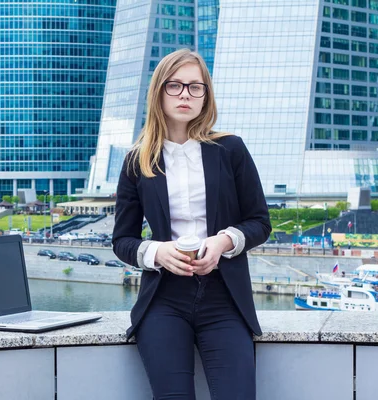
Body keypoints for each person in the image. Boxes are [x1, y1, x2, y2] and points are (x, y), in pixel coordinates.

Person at [113, 49, 271, 400]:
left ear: (205, 96)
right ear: (159, 92)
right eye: (175, 86)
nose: (185, 94)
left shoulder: (230, 149)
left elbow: (260, 222)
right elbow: (122, 240)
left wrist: (223, 242)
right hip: (163, 300)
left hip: (224, 298)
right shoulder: (137, 160)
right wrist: (156, 251)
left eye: (195, 87)